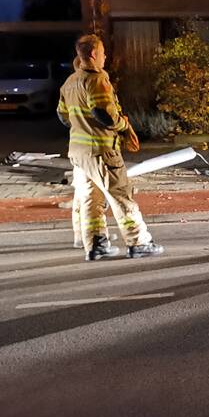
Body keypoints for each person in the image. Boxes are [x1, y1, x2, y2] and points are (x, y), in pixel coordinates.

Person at [57, 35, 162, 261]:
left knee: (89, 200)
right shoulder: (97, 80)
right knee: (120, 195)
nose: (105, 56)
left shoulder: (70, 82)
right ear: (93, 54)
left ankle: (96, 245)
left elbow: (63, 116)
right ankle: (139, 242)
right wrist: (123, 125)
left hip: (78, 154)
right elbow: (103, 113)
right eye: (103, 52)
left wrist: (82, 126)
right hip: (102, 151)